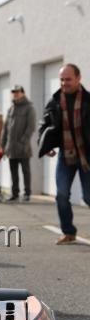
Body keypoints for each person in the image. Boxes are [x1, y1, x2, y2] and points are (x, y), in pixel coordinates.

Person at [38, 63, 90, 244]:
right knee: (61, 194)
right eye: (61, 79)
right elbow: (43, 125)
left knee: (88, 196)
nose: (64, 83)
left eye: (68, 79)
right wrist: (46, 145)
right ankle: (68, 232)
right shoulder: (54, 101)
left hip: (86, 155)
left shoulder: (87, 101)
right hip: (66, 155)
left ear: (78, 78)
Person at [1, 85, 36, 202]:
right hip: (11, 147)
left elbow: (31, 127)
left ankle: (27, 193)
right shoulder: (11, 109)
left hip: (24, 147)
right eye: (14, 92)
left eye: (17, 92)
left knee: (26, 171)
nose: (15, 94)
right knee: (13, 172)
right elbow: (5, 128)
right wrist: (3, 144)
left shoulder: (29, 108)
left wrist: (23, 142)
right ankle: (15, 193)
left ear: (23, 93)